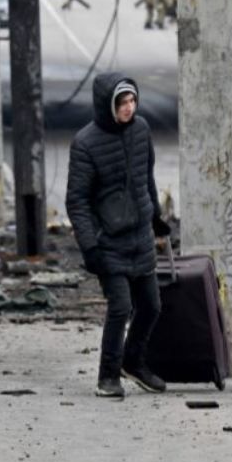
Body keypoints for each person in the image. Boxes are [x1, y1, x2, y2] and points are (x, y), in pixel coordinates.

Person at [66, 72, 172, 398]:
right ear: (106, 105)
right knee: (120, 307)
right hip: (108, 241)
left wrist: (155, 216)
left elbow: (146, 177)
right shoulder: (85, 143)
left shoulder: (141, 130)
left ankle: (133, 361)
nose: (129, 108)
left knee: (152, 305)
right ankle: (107, 376)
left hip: (140, 237)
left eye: (132, 101)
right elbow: (77, 201)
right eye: (121, 102)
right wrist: (90, 246)